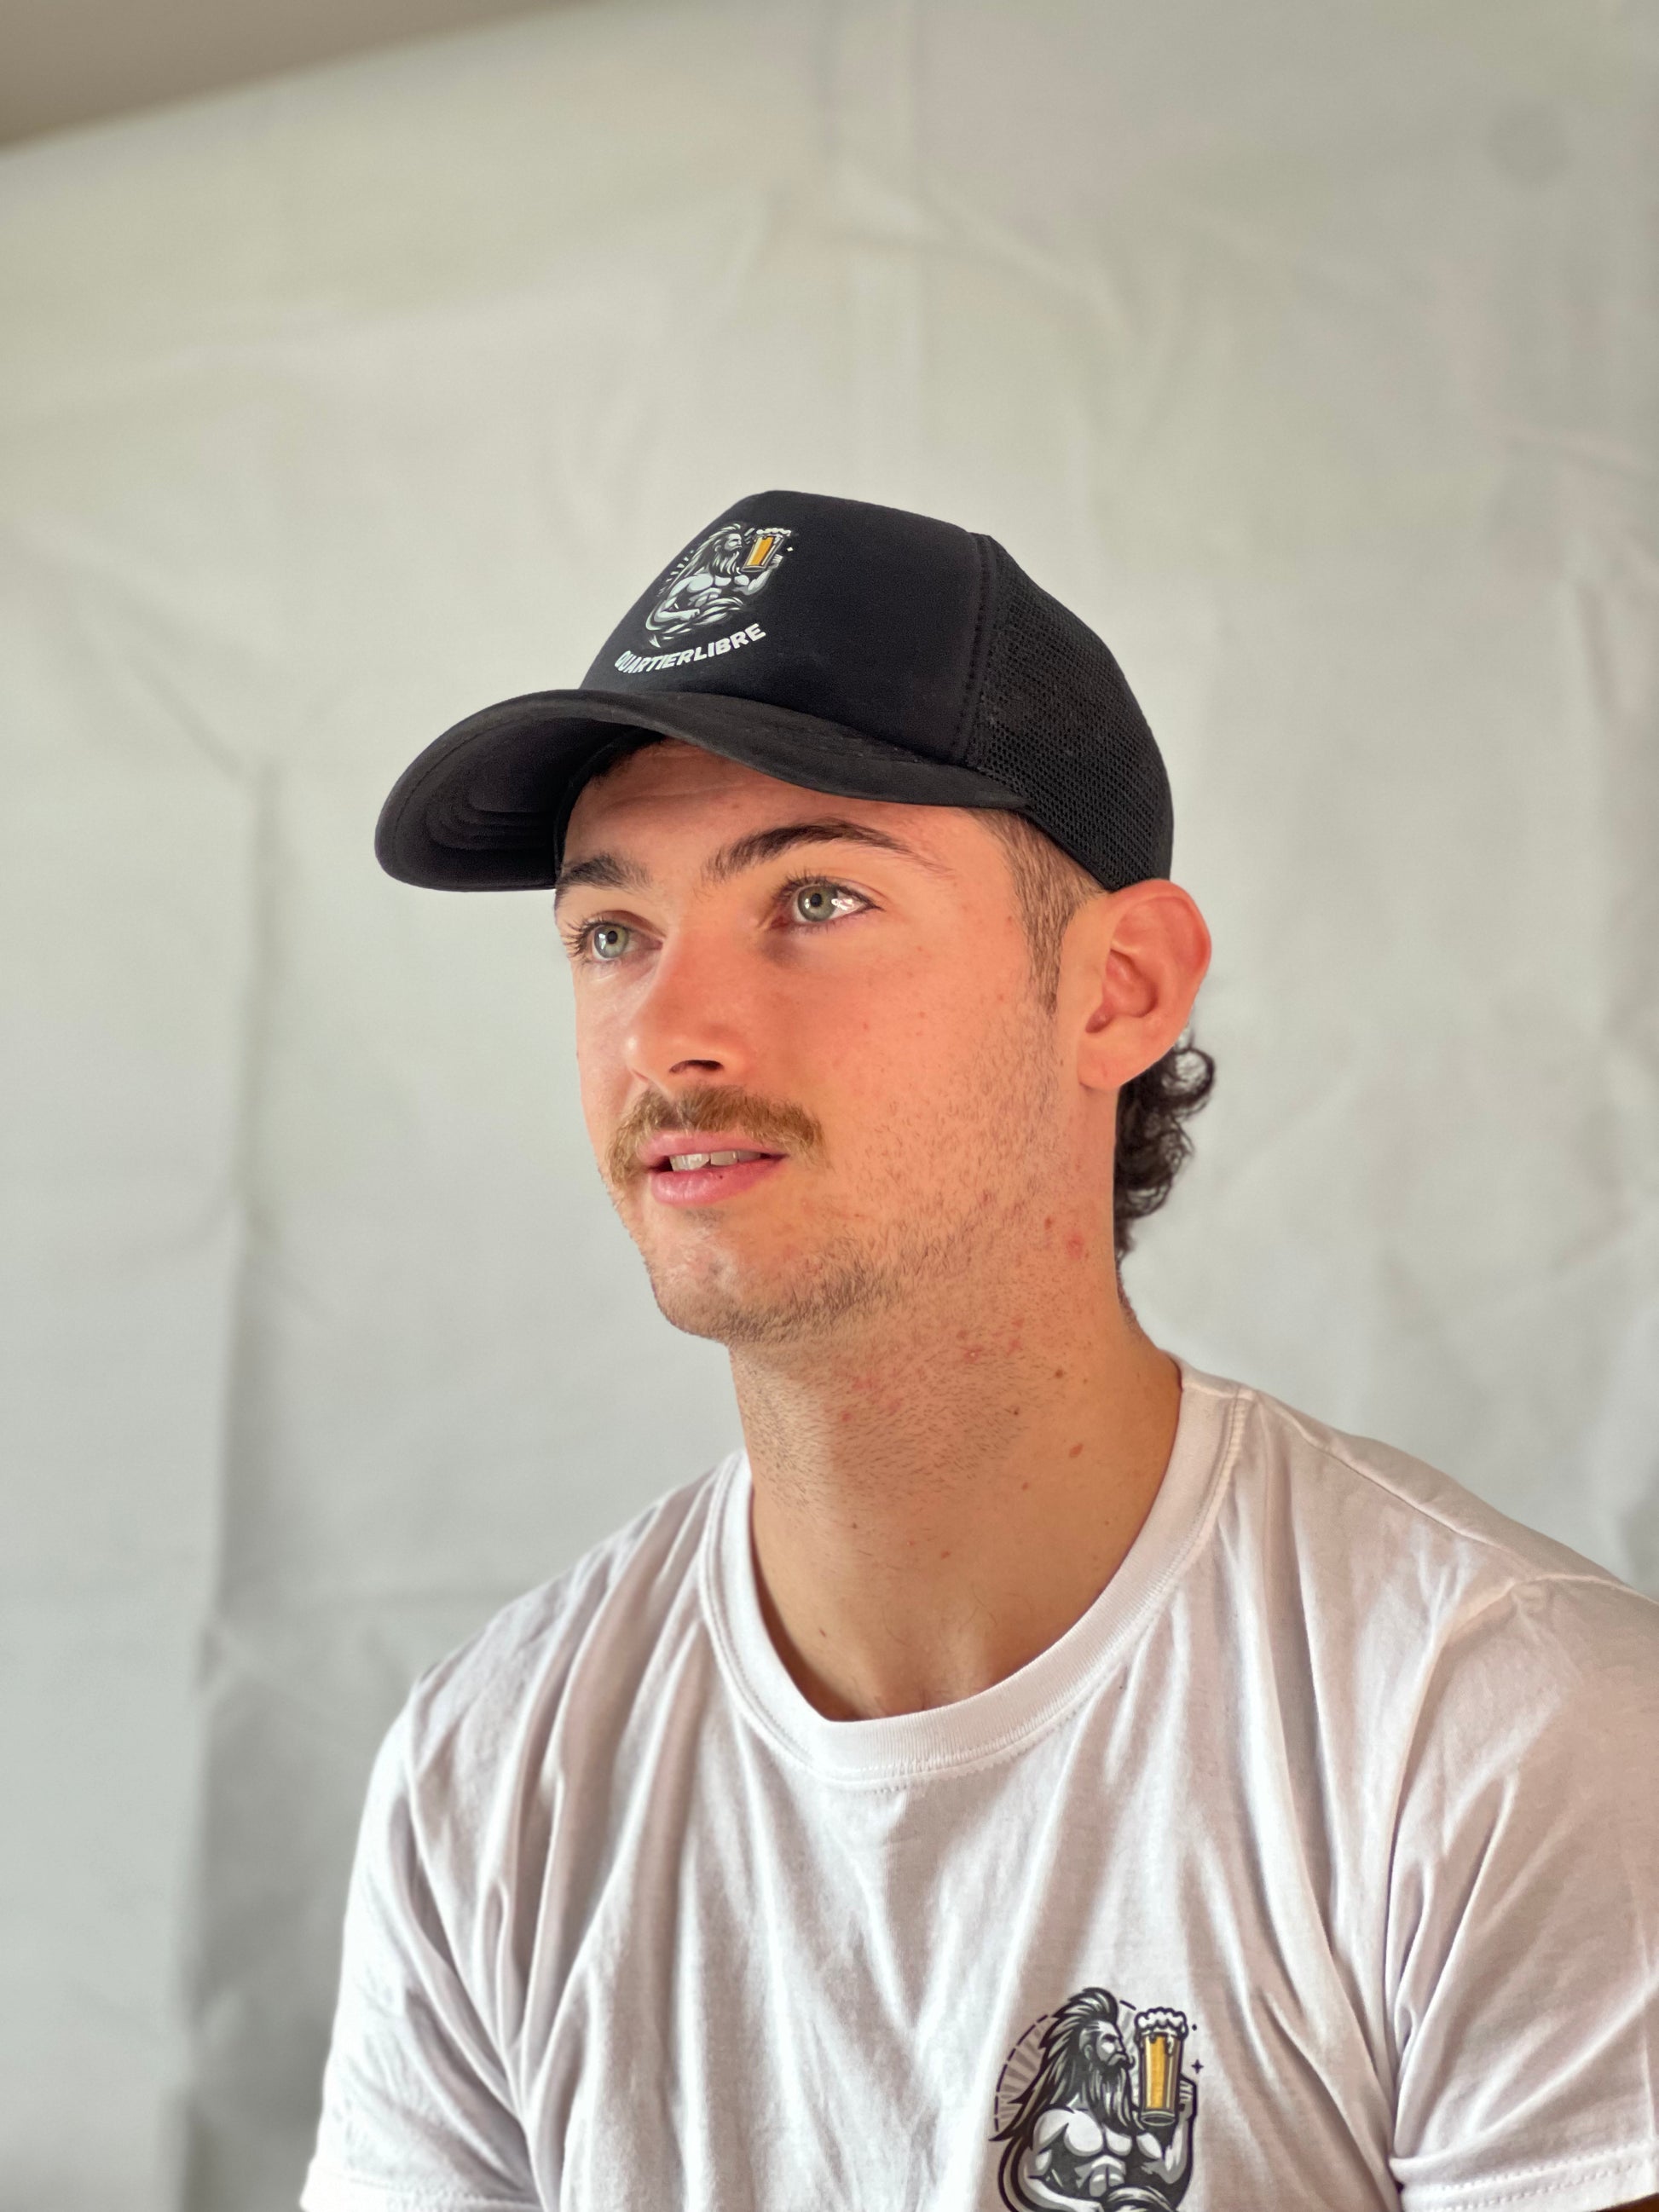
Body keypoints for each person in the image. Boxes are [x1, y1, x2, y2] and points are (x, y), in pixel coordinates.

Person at [303, 490, 1659, 2212]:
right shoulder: (491, 1777)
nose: (671, 1029)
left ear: (1118, 988)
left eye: (814, 896)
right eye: (612, 931)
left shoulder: (1505, 1738)